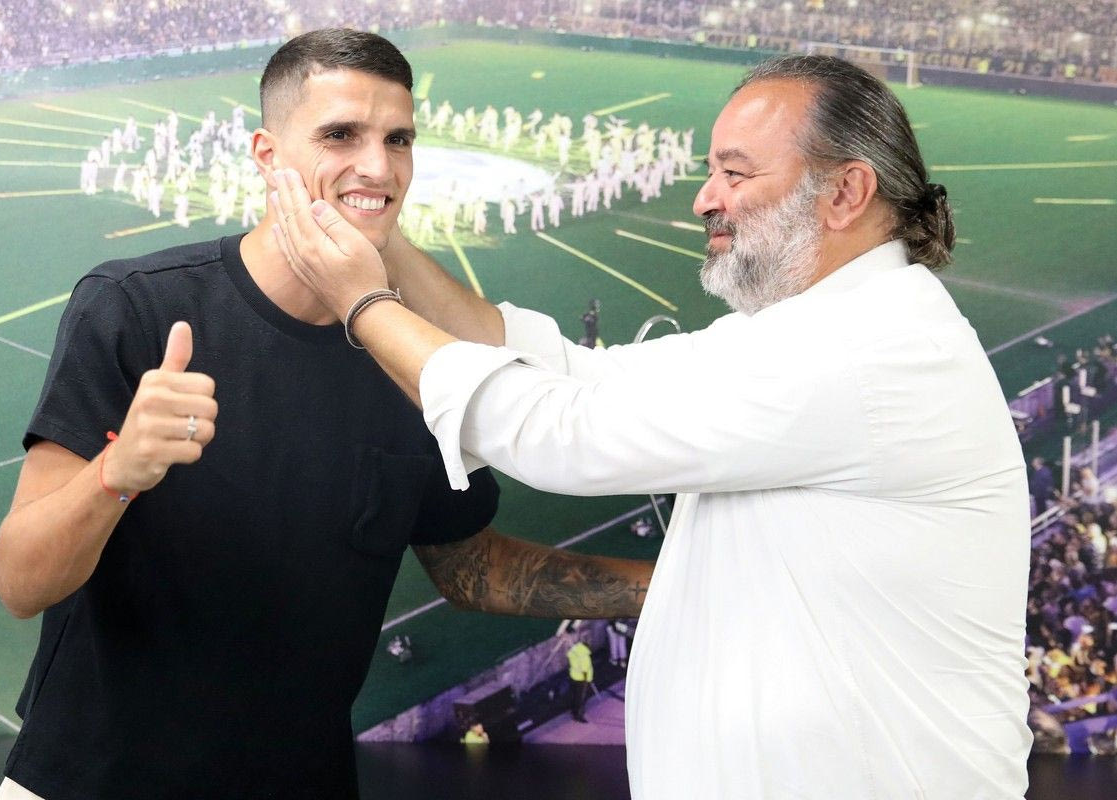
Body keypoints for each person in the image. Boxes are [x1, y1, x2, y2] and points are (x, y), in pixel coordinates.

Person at [273, 53, 1033, 798]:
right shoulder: (819, 332)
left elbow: (562, 436)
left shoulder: (864, 353)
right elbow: (574, 373)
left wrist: (363, 301)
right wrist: (381, 241)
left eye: (735, 174)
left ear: (845, 192)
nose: (705, 199)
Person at [0, 30, 653, 800]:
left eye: (397, 139)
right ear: (266, 154)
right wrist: (119, 471)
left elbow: (474, 568)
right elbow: (21, 582)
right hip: (90, 781)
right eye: (340, 134)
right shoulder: (135, 308)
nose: (377, 166)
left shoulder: (419, 360)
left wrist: (680, 583)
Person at [567, 639, 594, 723]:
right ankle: (579, 715)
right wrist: (586, 681)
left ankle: (573, 711)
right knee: (581, 698)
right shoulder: (585, 656)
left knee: (574, 696)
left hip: (573, 676)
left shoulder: (574, 651)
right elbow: (585, 669)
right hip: (582, 680)